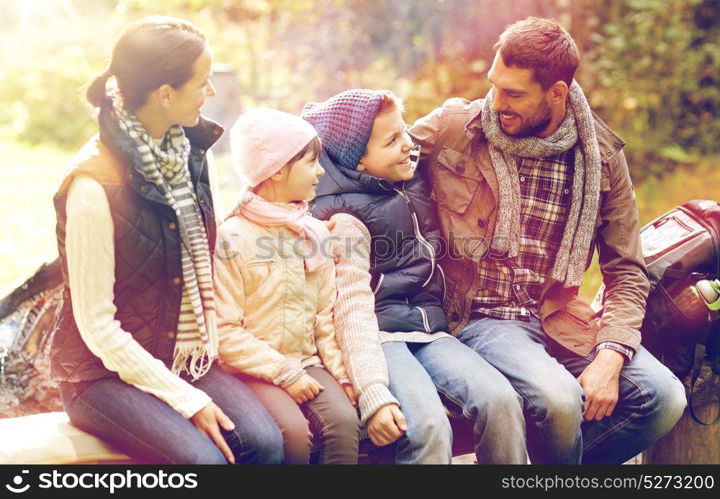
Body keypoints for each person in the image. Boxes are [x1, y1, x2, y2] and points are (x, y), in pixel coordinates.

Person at [409, 17, 687, 464]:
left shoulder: (601, 158)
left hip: (557, 316)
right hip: (481, 318)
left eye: (514, 93)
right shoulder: (456, 127)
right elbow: (370, 158)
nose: (497, 102)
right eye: (495, 86)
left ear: (557, 92)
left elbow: (626, 272)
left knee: (664, 397)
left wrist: (612, 353)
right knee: (559, 399)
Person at [50, 16, 283, 464]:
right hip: (101, 376)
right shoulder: (93, 185)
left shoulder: (193, 157)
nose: (211, 93)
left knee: (266, 445)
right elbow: (97, 327)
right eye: (203, 82)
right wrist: (187, 399)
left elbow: (211, 263)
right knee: (204, 464)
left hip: (183, 354)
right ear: (164, 94)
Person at [305, 90, 527, 464]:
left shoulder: (409, 178)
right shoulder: (341, 217)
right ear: (357, 161)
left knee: (501, 401)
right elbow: (350, 309)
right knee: (427, 426)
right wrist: (371, 391)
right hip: (379, 337)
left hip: (431, 329)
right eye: (392, 141)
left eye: (404, 131)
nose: (408, 143)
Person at [214, 108, 361, 464]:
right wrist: (283, 372)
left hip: (306, 361)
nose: (321, 171)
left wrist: (342, 377)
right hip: (253, 369)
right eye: (311, 162)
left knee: (344, 423)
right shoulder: (232, 237)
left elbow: (324, 317)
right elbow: (222, 330)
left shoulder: (311, 232)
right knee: (292, 435)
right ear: (277, 169)